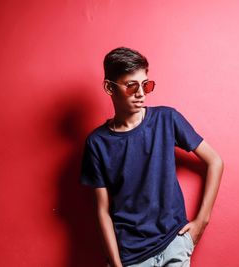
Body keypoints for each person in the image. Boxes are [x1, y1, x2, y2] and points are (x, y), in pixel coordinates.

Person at [80, 47, 223, 267]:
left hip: (174, 244)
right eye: (131, 86)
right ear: (109, 87)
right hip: (131, 257)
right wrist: (117, 265)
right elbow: (103, 210)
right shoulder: (97, 143)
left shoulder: (167, 118)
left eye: (146, 85)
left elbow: (215, 161)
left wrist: (202, 221)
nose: (141, 94)